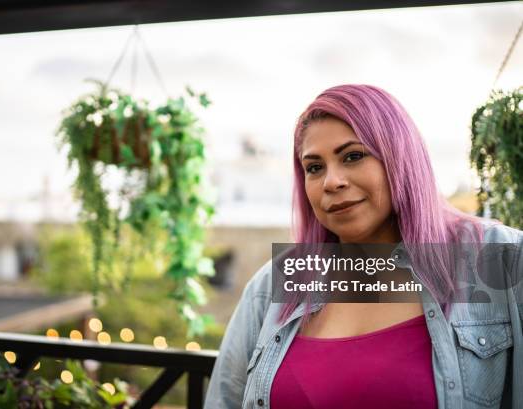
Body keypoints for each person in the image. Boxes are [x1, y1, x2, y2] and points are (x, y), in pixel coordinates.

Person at [203, 84, 523, 409]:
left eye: (353, 156)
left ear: (400, 158)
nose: (331, 181)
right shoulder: (275, 283)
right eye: (314, 167)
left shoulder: (500, 261)